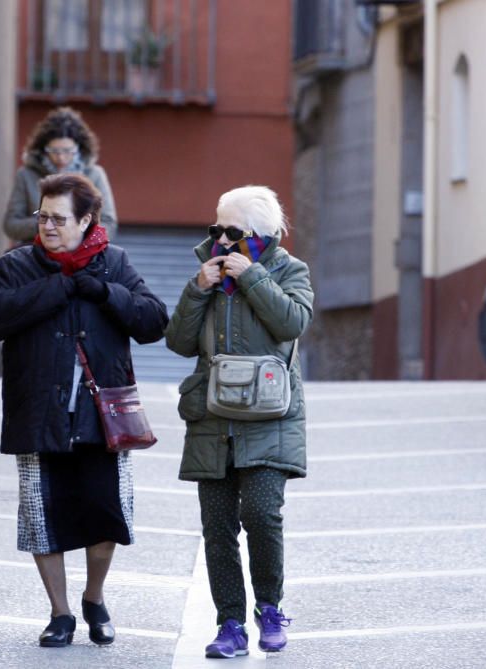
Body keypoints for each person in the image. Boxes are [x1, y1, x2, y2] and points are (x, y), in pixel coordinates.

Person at [0, 173, 167, 648]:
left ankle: (94, 597)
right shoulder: (17, 265)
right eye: (42, 215)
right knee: (44, 516)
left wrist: (104, 292)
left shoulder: (114, 263)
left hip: (101, 416)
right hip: (37, 411)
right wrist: (58, 289)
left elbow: (153, 322)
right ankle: (59, 613)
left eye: (59, 218)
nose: (47, 226)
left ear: (86, 221)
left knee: (106, 514)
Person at [164, 185, 313, 659]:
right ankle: (229, 623)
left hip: (270, 416)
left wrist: (253, 279)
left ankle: (269, 608)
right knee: (218, 525)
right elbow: (179, 343)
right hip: (213, 418)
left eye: (233, 231)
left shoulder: (290, 271)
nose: (222, 240)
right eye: (216, 229)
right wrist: (197, 289)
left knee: (263, 515)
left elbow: (292, 323)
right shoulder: (207, 274)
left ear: (262, 235)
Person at [3, 106, 117, 246]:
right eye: (54, 151)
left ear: (79, 149)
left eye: (68, 151)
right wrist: (47, 223)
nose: (61, 157)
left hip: (82, 255)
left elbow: (109, 223)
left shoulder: (95, 174)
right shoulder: (26, 175)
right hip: (35, 255)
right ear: (43, 150)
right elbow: (11, 225)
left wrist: (80, 238)